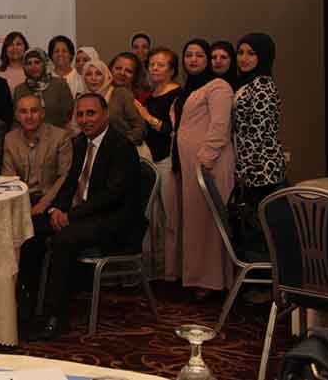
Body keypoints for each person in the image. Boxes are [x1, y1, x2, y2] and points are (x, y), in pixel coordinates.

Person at [27, 93, 143, 340]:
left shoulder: (122, 147)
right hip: (82, 215)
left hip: (114, 221)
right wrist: (55, 210)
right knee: (29, 229)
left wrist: (71, 215)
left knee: (64, 238)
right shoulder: (79, 143)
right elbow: (69, 183)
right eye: (80, 114)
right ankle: (28, 307)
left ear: (105, 114)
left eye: (91, 113)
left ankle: (55, 317)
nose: (85, 119)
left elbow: (111, 197)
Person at [172, 39, 235, 299]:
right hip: (190, 167)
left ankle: (212, 282)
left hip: (210, 165)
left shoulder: (218, 86)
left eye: (199, 55)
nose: (193, 59)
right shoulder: (188, 89)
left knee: (209, 223)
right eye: (188, 55)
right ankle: (197, 277)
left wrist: (205, 160)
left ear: (208, 59)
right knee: (196, 223)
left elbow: (220, 126)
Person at [4, 93, 74, 319]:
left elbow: (65, 177)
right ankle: (6, 296)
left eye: (34, 111)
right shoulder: (10, 138)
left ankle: (29, 298)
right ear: (17, 115)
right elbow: (8, 177)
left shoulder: (60, 137)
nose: (29, 116)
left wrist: (43, 204)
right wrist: (20, 204)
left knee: (30, 235)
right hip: (21, 199)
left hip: (51, 201)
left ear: (42, 114)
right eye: (24, 111)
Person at [233, 33, 288, 294]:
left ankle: (267, 289)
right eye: (241, 52)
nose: (244, 58)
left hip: (262, 169)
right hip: (253, 167)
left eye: (251, 53)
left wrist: (242, 171)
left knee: (261, 229)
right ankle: (261, 286)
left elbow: (257, 134)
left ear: (263, 56)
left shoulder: (263, 85)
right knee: (254, 227)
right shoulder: (249, 83)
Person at [134, 47, 182, 281]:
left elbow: (174, 131)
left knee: (170, 218)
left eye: (160, 65)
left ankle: (173, 272)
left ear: (172, 70)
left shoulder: (177, 95)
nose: (154, 68)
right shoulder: (150, 95)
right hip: (150, 161)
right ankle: (155, 271)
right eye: (151, 64)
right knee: (152, 217)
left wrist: (147, 117)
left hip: (167, 161)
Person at [88, 57, 146, 147]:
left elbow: (140, 127)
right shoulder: (88, 95)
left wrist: (121, 145)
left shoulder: (122, 94)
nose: (122, 73)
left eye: (128, 71)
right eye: (118, 68)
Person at [14, 48, 74, 129]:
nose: (33, 66)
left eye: (37, 62)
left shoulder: (60, 85)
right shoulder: (19, 90)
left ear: (45, 64)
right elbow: (17, 121)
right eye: (29, 63)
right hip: (27, 135)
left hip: (57, 134)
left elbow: (69, 118)